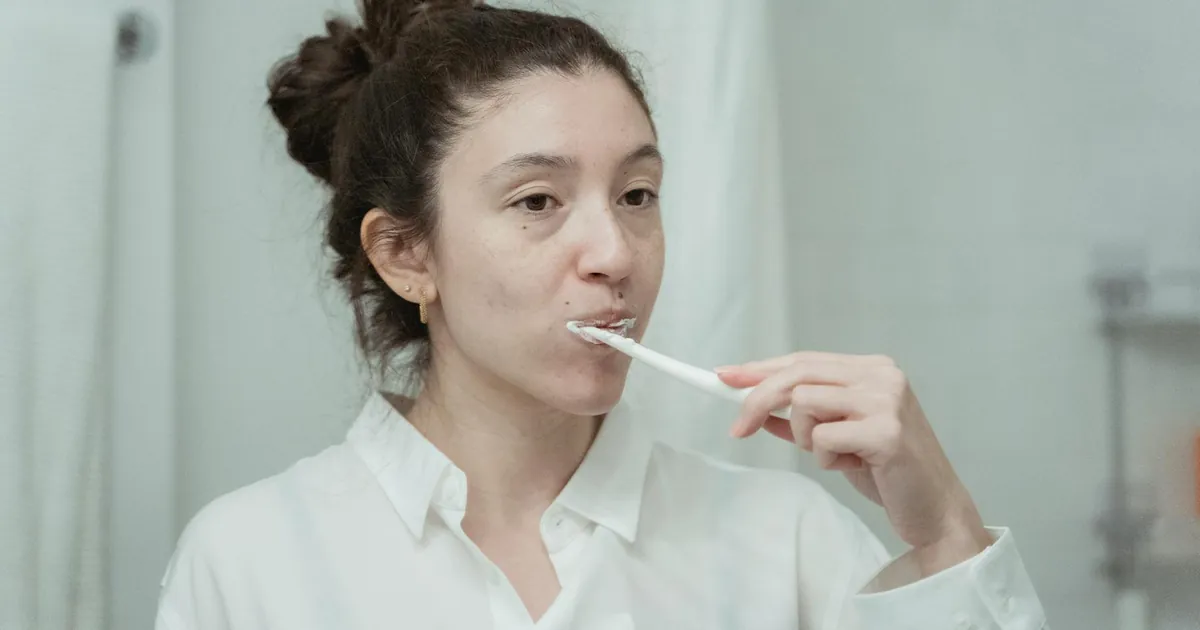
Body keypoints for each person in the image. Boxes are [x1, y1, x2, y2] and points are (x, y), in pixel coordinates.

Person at [156, 1, 1048, 628]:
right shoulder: (250, 563)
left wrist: (944, 531)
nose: (615, 253)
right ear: (407, 255)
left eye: (637, 194)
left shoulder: (788, 546)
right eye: (538, 201)